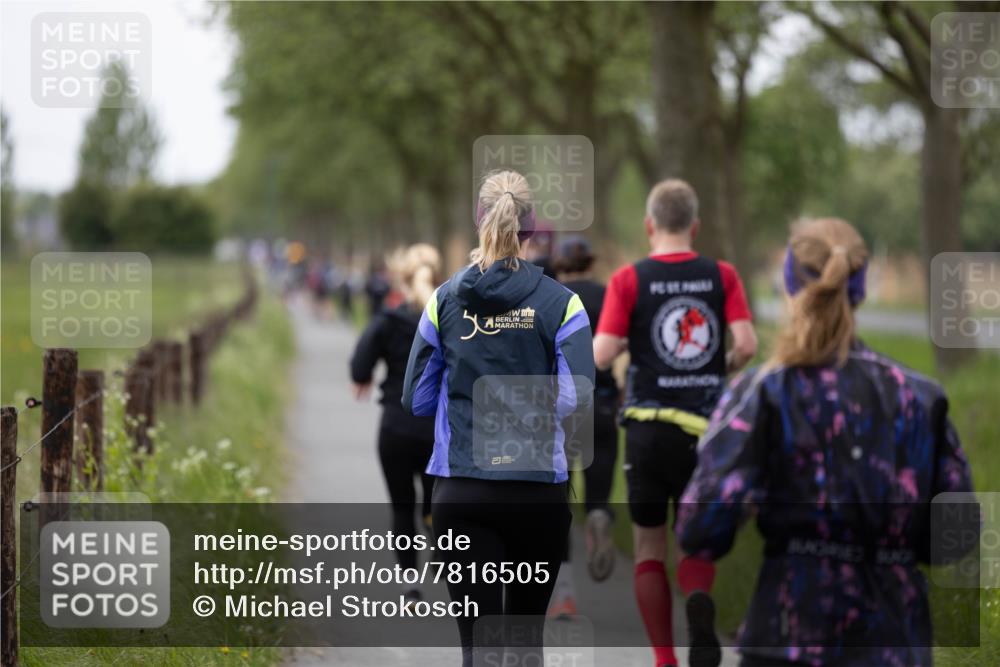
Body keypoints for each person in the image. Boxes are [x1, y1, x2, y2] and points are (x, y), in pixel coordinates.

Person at [675, 218, 976, 667]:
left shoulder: (763, 391)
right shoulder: (921, 397)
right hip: (894, 641)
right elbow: (955, 537)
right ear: (863, 286)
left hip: (789, 632)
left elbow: (701, 527)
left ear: (790, 284)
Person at [402, 169, 596, 666]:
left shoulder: (443, 301)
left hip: (463, 490)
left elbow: (417, 398)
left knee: (479, 650)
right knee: (527, 644)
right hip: (537, 493)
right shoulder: (564, 304)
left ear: (477, 220)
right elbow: (578, 395)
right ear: (531, 227)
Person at [593, 179, 757, 667]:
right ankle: (701, 605)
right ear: (695, 226)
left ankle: (665, 659)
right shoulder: (721, 275)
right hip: (705, 432)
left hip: (647, 429)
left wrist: (626, 345)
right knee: (696, 536)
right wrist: (714, 367)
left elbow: (601, 355)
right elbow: (747, 345)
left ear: (649, 226)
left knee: (648, 545)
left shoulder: (629, 279)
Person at [350, 244, 441, 605]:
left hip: (396, 427)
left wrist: (365, 377)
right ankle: (439, 540)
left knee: (402, 506)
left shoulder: (388, 321)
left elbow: (359, 367)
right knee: (437, 501)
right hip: (439, 429)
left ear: (402, 278)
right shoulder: (451, 318)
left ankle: (409, 584)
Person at [547, 236, 622, 619]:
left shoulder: (550, 297)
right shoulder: (610, 296)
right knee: (598, 490)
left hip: (559, 410)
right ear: (591, 262)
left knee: (558, 507)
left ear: (559, 265)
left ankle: (563, 596)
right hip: (602, 405)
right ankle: (600, 515)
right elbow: (620, 345)